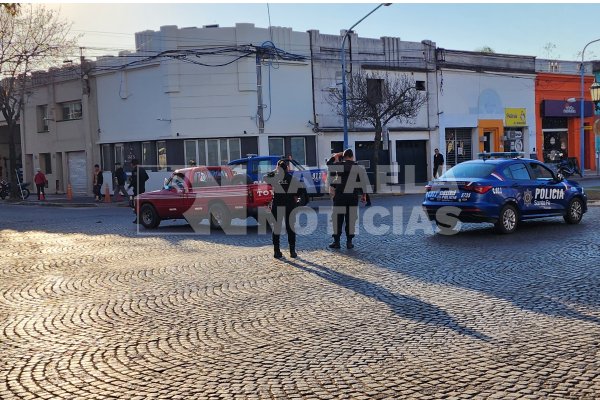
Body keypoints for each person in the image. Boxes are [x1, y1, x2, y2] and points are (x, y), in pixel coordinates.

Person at [327, 149, 369, 249]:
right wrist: (364, 195)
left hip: (340, 196)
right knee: (351, 219)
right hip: (352, 196)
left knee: (337, 219)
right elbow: (363, 183)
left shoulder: (340, 165)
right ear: (352, 156)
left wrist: (336, 155)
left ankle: (336, 242)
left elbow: (329, 164)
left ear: (344, 156)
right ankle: (349, 242)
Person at [264, 159, 303, 259]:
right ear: (287, 168)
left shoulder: (275, 177)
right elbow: (300, 192)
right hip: (289, 206)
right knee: (291, 229)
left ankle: (276, 251)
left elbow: (265, 177)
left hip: (277, 206)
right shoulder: (291, 178)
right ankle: (292, 251)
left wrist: (275, 171)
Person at [129, 159, 149, 223]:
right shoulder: (142, 169)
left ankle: (138, 219)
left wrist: (130, 185)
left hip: (137, 189)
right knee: (141, 203)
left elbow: (134, 180)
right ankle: (142, 217)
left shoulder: (135, 170)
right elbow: (147, 177)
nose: (131, 165)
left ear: (132, 164)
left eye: (131, 164)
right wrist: (142, 182)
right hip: (142, 188)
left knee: (136, 204)